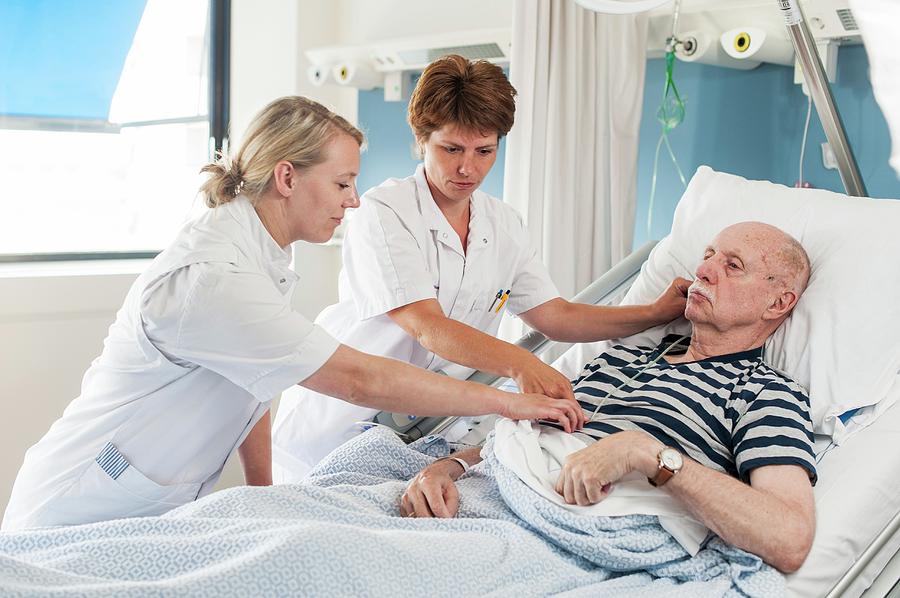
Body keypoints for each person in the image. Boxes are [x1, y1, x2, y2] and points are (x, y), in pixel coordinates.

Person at [1, 97, 584, 532]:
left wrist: (263, 495)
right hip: (82, 505)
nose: (353, 200)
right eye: (342, 182)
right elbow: (360, 378)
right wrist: (512, 396)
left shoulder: (264, 255)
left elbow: (253, 386)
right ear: (287, 176)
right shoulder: (215, 278)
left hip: (153, 501)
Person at [271, 55, 689, 481]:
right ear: (421, 139)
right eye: (451, 149)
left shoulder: (503, 224)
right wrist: (520, 364)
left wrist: (654, 313)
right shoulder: (384, 212)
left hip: (425, 432)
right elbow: (425, 326)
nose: (468, 168)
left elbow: (557, 317)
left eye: (484, 150)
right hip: (338, 425)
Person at [401, 221, 818, 574]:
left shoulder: (765, 393)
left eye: (733, 266)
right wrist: (448, 467)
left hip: (559, 538)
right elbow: (533, 440)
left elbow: (789, 537)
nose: (704, 269)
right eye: (709, 255)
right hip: (485, 496)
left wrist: (648, 455)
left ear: (778, 302)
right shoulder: (621, 356)